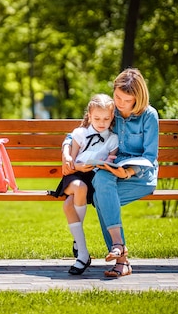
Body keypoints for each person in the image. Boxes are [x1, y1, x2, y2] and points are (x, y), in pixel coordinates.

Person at [62, 68, 159, 278]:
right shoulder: (111, 112)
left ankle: (121, 257)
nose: (120, 103)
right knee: (102, 182)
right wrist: (66, 153)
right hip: (113, 170)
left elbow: (150, 156)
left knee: (100, 196)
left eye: (126, 99)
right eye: (117, 97)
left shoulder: (149, 116)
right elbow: (78, 132)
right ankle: (119, 249)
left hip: (141, 176)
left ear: (138, 98)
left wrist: (130, 171)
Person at [51, 94, 118, 275]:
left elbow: (111, 163)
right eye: (97, 118)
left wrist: (101, 165)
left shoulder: (113, 139)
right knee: (80, 187)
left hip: (95, 177)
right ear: (89, 115)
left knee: (68, 204)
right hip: (75, 176)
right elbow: (70, 164)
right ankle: (82, 252)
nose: (101, 122)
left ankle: (81, 251)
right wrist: (79, 165)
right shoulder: (80, 133)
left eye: (106, 118)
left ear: (112, 117)